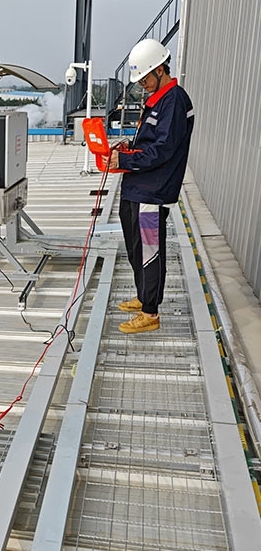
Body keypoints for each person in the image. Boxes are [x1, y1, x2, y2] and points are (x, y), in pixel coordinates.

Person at [104, 38, 194, 334]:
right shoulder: (157, 100)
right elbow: (149, 142)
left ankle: (150, 313)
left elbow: (164, 149)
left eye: (144, 77)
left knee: (150, 251)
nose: (141, 83)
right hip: (137, 187)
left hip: (153, 191)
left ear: (160, 69)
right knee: (134, 247)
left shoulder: (175, 100)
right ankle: (143, 296)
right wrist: (127, 146)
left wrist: (126, 160)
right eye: (139, 78)